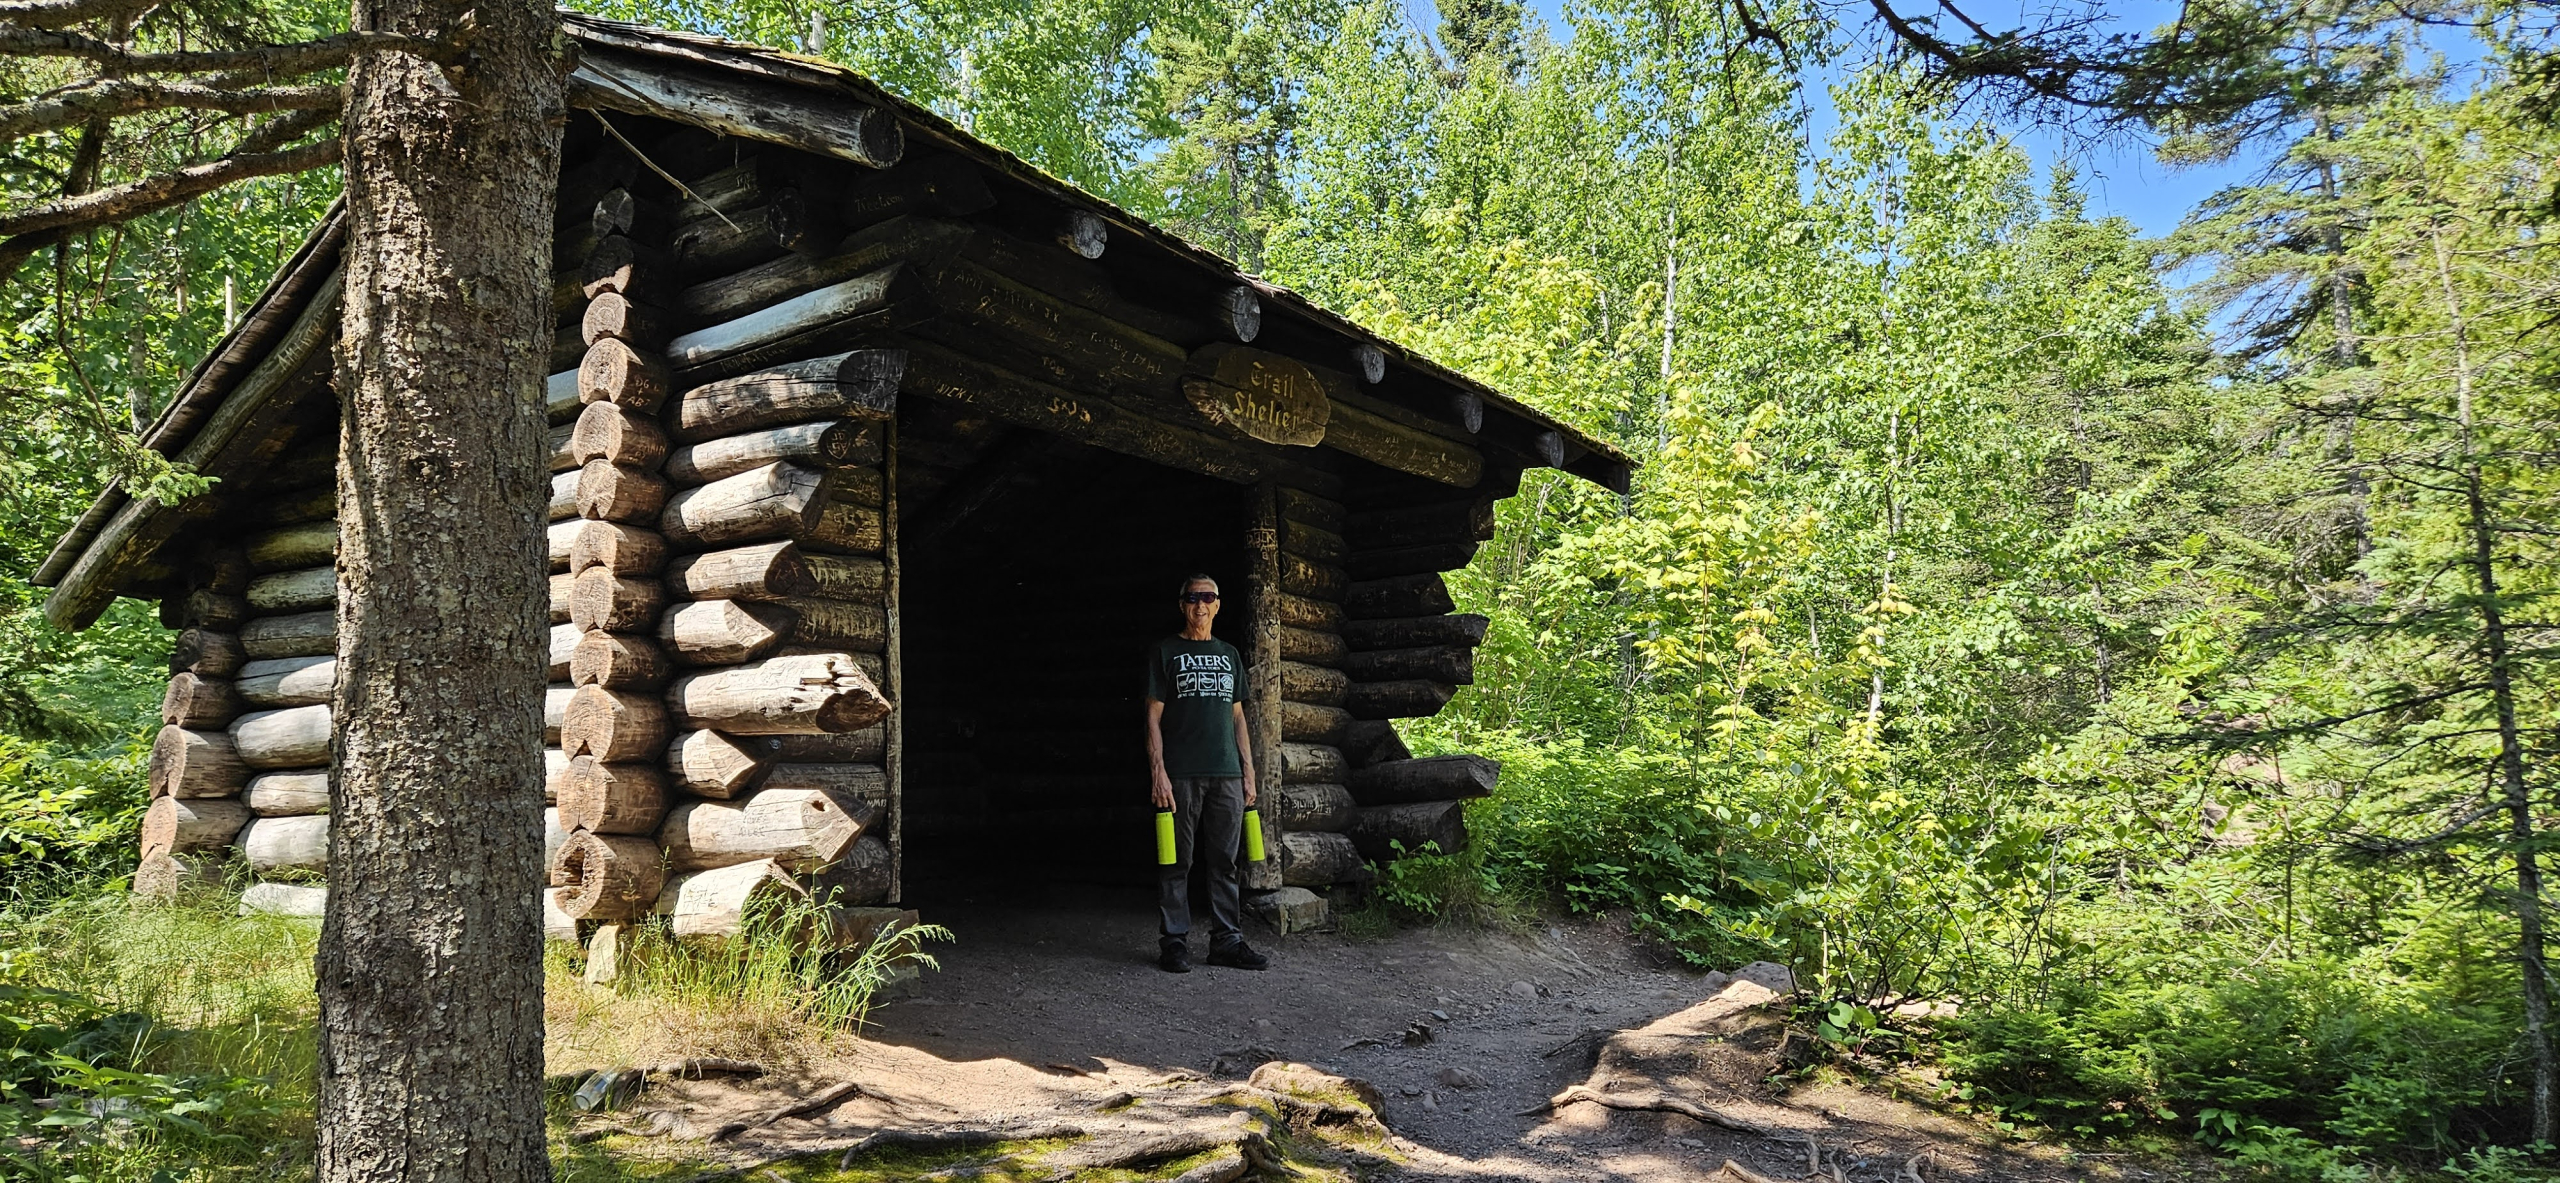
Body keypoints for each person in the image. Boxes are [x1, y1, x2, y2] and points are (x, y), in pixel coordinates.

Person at [1143, 574, 1270, 973]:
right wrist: (1158, 772)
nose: (1201, 605)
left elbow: (1238, 719)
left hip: (1227, 775)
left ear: (1218, 605)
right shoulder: (1165, 651)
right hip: (1180, 774)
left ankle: (1227, 942)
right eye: (1193, 598)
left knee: (1225, 861)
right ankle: (1174, 943)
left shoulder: (1229, 654)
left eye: (1208, 597)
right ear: (1183, 605)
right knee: (1176, 861)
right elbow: (1151, 717)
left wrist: (1248, 773)